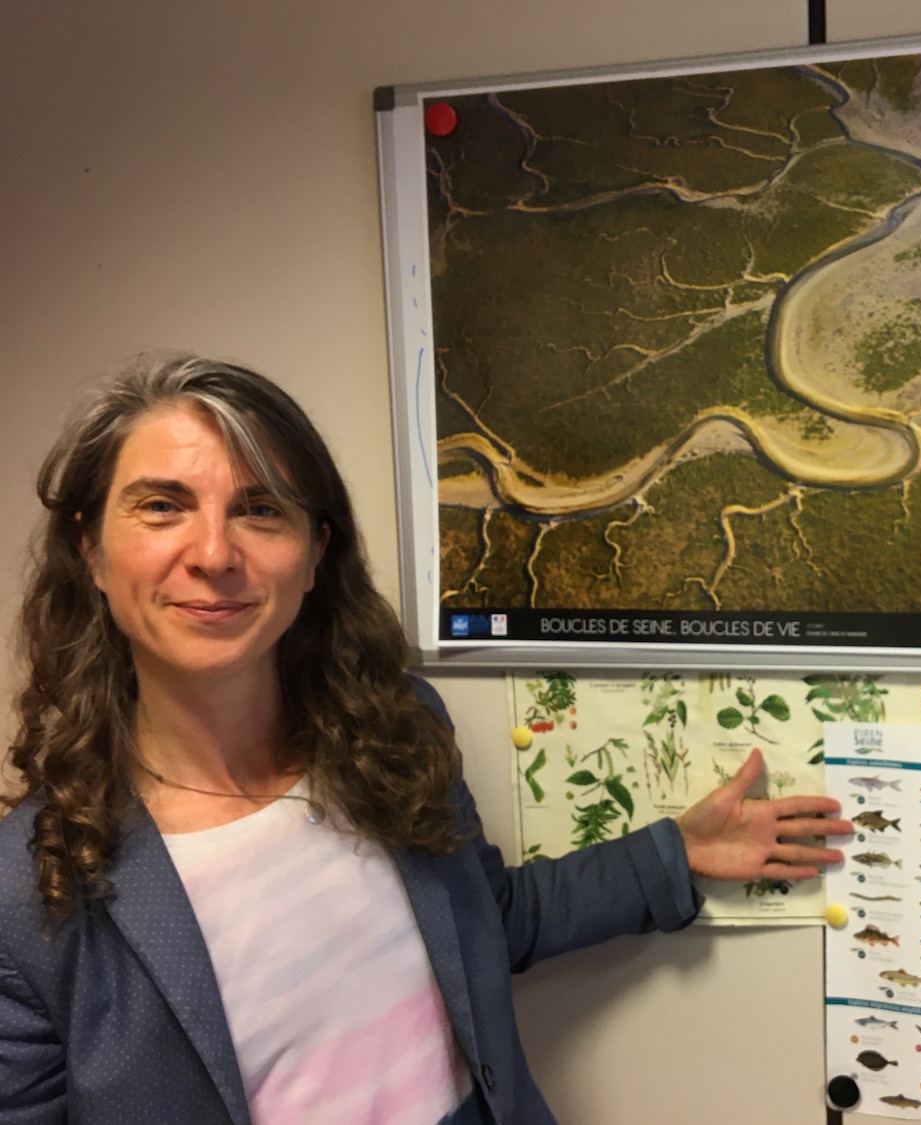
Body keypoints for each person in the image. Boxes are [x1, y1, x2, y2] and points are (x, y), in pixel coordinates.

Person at [0, 353, 852, 1125]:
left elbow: (488, 923)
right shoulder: (24, 887)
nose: (214, 551)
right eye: (162, 506)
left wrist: (677, 853)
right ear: (91, 547)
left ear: (315, 549)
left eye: (260, 509)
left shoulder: (390, 728)